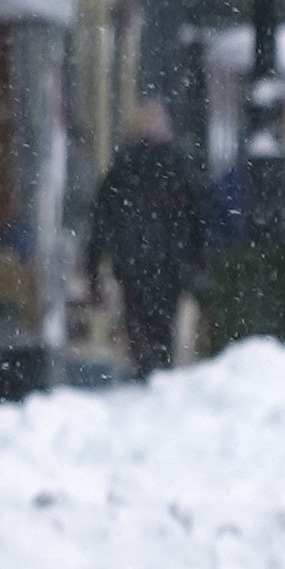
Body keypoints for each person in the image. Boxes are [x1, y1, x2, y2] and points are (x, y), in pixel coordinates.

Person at [91, 105, 208, 377]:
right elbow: (195, 217)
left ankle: (146, 363)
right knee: (164, 319)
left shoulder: (120, 169)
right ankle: (160, 363)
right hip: (170, 261)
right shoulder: (178, 166)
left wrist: (94, 266)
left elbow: (101, 222)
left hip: (132, 260)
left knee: (137, 316)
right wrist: (198, 257)